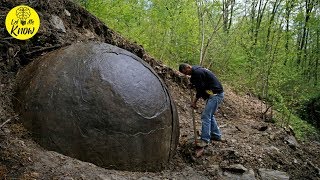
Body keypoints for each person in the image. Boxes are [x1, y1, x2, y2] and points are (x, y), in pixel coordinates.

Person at [179, 63, 224, 147]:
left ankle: (205, 139)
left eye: (186, 72)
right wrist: (192, 85)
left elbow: (200, 90)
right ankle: (216, 135)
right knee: (209, 115)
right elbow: (199, 82)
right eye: (184, 74)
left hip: (215, 95)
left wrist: (194, 102)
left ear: (188, 67)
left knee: (205, 116)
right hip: (212, 94)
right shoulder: (196, 71)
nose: (186, 74)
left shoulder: (197, 72)